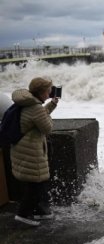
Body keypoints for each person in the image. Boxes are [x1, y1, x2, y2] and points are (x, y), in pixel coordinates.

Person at [11, 77, 59, 226]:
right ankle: (22, 216)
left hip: (23, 148)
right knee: (35, 185)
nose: (50, 92)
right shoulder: (35, 107)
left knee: (37, 182)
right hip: (31, 150)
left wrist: (52, 105)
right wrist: (48, 116)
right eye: (49, 90)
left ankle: (39, 212)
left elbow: (37, 116)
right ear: (42, 92)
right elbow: (47, 127)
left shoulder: (29, 102)